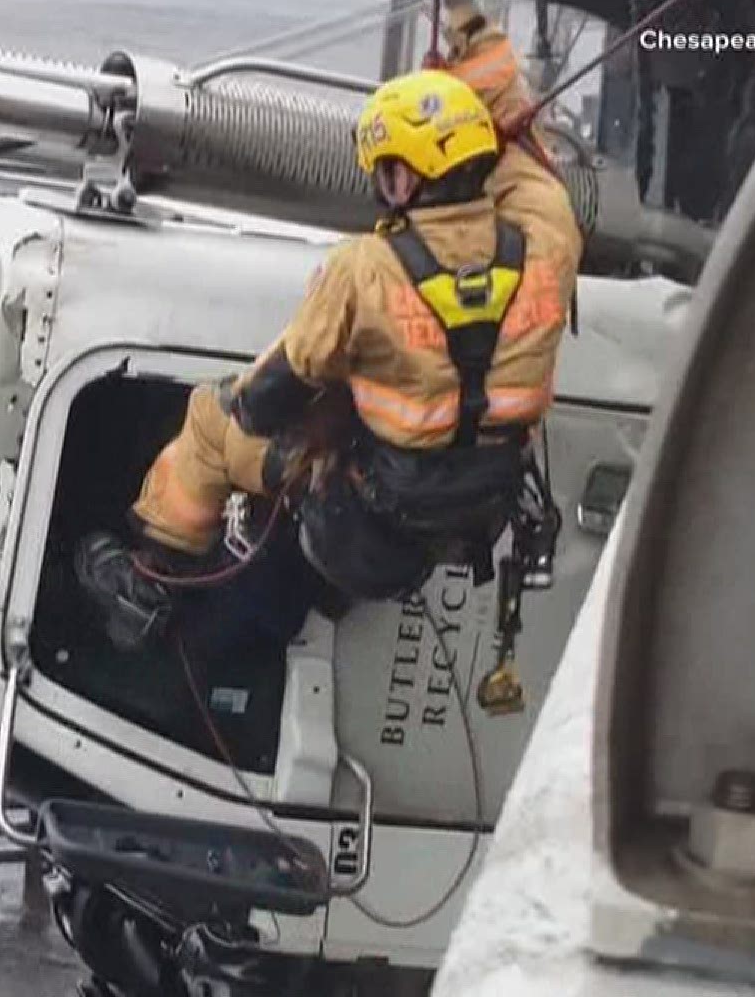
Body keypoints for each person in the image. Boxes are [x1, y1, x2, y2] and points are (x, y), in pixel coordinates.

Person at [73, 66, 583, 653]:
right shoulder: (548, 240)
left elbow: (262, 405)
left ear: (405, 176)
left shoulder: (364, 269)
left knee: (210, 421)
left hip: (365, 515)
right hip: (467, 513)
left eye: (386, 171)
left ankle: (150, 580)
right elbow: (530, 170)